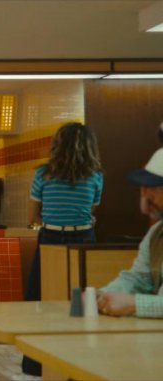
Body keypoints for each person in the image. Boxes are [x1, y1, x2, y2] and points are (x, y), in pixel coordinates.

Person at [22, 122, 103, 376]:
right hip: (83, 240)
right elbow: (91, 211)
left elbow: (32, 216)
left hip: (51, 237)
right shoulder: (96, 175)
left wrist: (45, 218)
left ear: (56, 145)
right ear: (90, 147)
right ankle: (82, 359)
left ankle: (36, 364)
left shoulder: (43, 173)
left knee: (40, 299)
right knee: (81, 303)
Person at [97, 147, 163, 318]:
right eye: (144, 188)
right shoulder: (157, 233)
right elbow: (139, 278)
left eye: (153, 188)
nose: (146, 196)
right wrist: (102, 295)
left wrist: (134, 304)